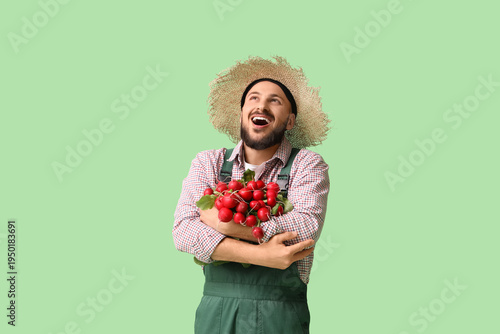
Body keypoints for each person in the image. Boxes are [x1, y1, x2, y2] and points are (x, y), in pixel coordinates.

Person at [173, 56, 331, 333]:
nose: (261, 105)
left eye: (275, 101)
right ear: (242, 112)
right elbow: (183, 231)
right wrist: (265, 255)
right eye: (254, 98)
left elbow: (306, 226)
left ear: (290, 120)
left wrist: (223, 225)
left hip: (280, 315)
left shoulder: (307, 164)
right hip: (215, 314)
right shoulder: (208, 162)